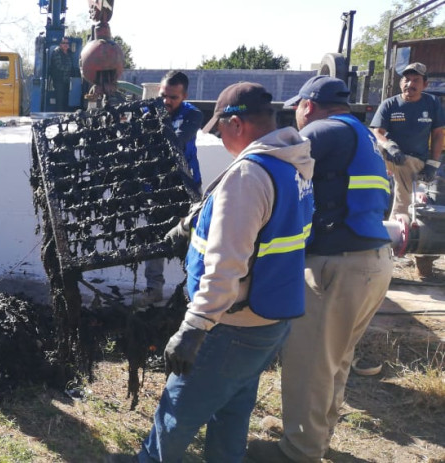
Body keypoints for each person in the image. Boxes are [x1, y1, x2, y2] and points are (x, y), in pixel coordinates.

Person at [138, 82, 314, 463]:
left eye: (219, 131)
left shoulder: (248, 176)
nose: (219, 139)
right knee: (232, 410)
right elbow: (266, 227)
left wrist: (194, 327)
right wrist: (191, 224)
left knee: (175, 415)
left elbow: (227, 263)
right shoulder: (293, 165)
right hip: (268, 322)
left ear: (236, 124)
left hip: (230, 326)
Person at [246, 76, 394, 462]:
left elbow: (268, 156)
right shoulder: (363, 137)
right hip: (373, 262)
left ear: (308, 105)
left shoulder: (322, 130)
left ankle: (299, 451)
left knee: (309, 361)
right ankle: (316, 434)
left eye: (297, 108)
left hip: (337, 265)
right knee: (335, 359)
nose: (296, 115)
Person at [370, 62, 445, 279]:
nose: (409, 84)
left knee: (430, 202)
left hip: (417, 162)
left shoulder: (432, 104)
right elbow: (377, 132)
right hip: (390, 158)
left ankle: (423, 258)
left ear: (425, 84)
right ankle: (398, 233)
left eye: (415, 80)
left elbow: (439, 134)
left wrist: (434, 164)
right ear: (400, 81)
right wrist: (389, 145)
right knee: (407, 196)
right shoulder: (390, 104)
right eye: (406, 79)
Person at [134, 70, 204, 306]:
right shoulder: (147, 111)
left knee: (194, 239)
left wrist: (150, 127)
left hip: (186, 187)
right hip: (155, 188)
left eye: (173, 97)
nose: (166, 101)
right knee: (154, 240)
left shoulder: (192, 115)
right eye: (163, 95)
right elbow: (139, 143)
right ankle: (153, 289)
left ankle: (194, 292)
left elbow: (176, 141)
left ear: (184, 96)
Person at [49, 36, 76, 111]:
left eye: (67, 43)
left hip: (67, 80)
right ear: (60, 44)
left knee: (66, 99)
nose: (66, 44)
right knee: (60, 99)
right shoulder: (56, 52)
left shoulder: (69, 53)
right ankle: (59, 117)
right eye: (64, 43)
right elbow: (59, 66)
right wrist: (69, 69)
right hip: (59, 80)